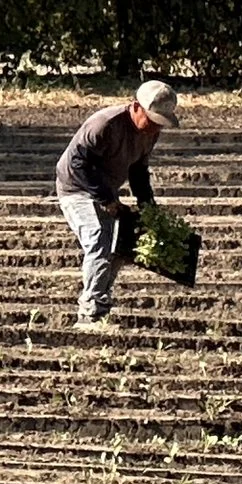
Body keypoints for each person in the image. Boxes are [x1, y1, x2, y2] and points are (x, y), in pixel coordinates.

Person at [55, 80, 181, 325]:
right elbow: (78, 165)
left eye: (160, 124)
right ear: (136, 107)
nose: (156, 128)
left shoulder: (149, 135)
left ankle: (100, 301)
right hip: (76, 188)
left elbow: (138, 173)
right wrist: (108, 200)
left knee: (123, 246)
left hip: (105, 189)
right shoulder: (104, 124)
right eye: (153, 120)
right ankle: (90, 312)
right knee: (99, 238)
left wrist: (149, 210)